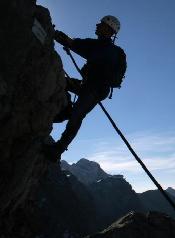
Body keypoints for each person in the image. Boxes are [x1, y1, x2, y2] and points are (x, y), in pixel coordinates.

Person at [43, 15, 127, 161]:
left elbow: (74, 44)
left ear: (108, 30)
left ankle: (58, 149)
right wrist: (56, 35)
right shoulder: (99, 46)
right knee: (61, 83)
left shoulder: (109, 50)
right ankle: (66, 111)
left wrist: (58, 35)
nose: (97, 25)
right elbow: (74, 43)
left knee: (78, 114)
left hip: (96, 89)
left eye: (101, 24)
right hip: (89, 86)